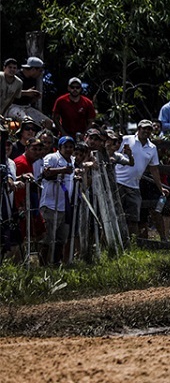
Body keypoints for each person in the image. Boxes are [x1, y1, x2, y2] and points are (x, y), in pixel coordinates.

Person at [115, 119, 168, 239]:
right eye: (144, 128)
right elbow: (112, 153)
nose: (146, 131)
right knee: (116, 215)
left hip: (134, 185)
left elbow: (154, 169)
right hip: (118, 181)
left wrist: (161, 188)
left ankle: (131, 244)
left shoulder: (152, 147)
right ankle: (115, 243)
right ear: (138, 129)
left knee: (133, 218)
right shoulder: (126, 139)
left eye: (149, 129)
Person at [40, 135, 76, 264]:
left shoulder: (72, 160)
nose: (68, 149)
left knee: (61, 238)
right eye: (65, 147)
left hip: (64, 206)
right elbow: (46, 172)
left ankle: (55, 263)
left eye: (70, 147)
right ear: (59, 147)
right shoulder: (52, 158)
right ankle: (43, 265)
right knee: (47, 238)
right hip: (50, 204)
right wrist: (62, 170)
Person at [13, 137, 46, 253]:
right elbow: (17, 188)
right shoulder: (21, 163)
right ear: (26, 148)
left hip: (29, 203)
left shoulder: (30, 163)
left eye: (39, 149)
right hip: (21, 206)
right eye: (34, 149)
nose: (37, 152)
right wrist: (21, 206)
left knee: (38, 232)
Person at [7, 57, 51, 128]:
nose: (41, 73)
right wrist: (26, 93)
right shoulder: (16, 77)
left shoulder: (33, 79)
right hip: (12, 107)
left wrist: (34, 97)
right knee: (27, 121)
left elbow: (28, 100)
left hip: (26, 107)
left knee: (48, 123)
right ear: (33, 69)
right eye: (40, 71)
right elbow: (8, 93)